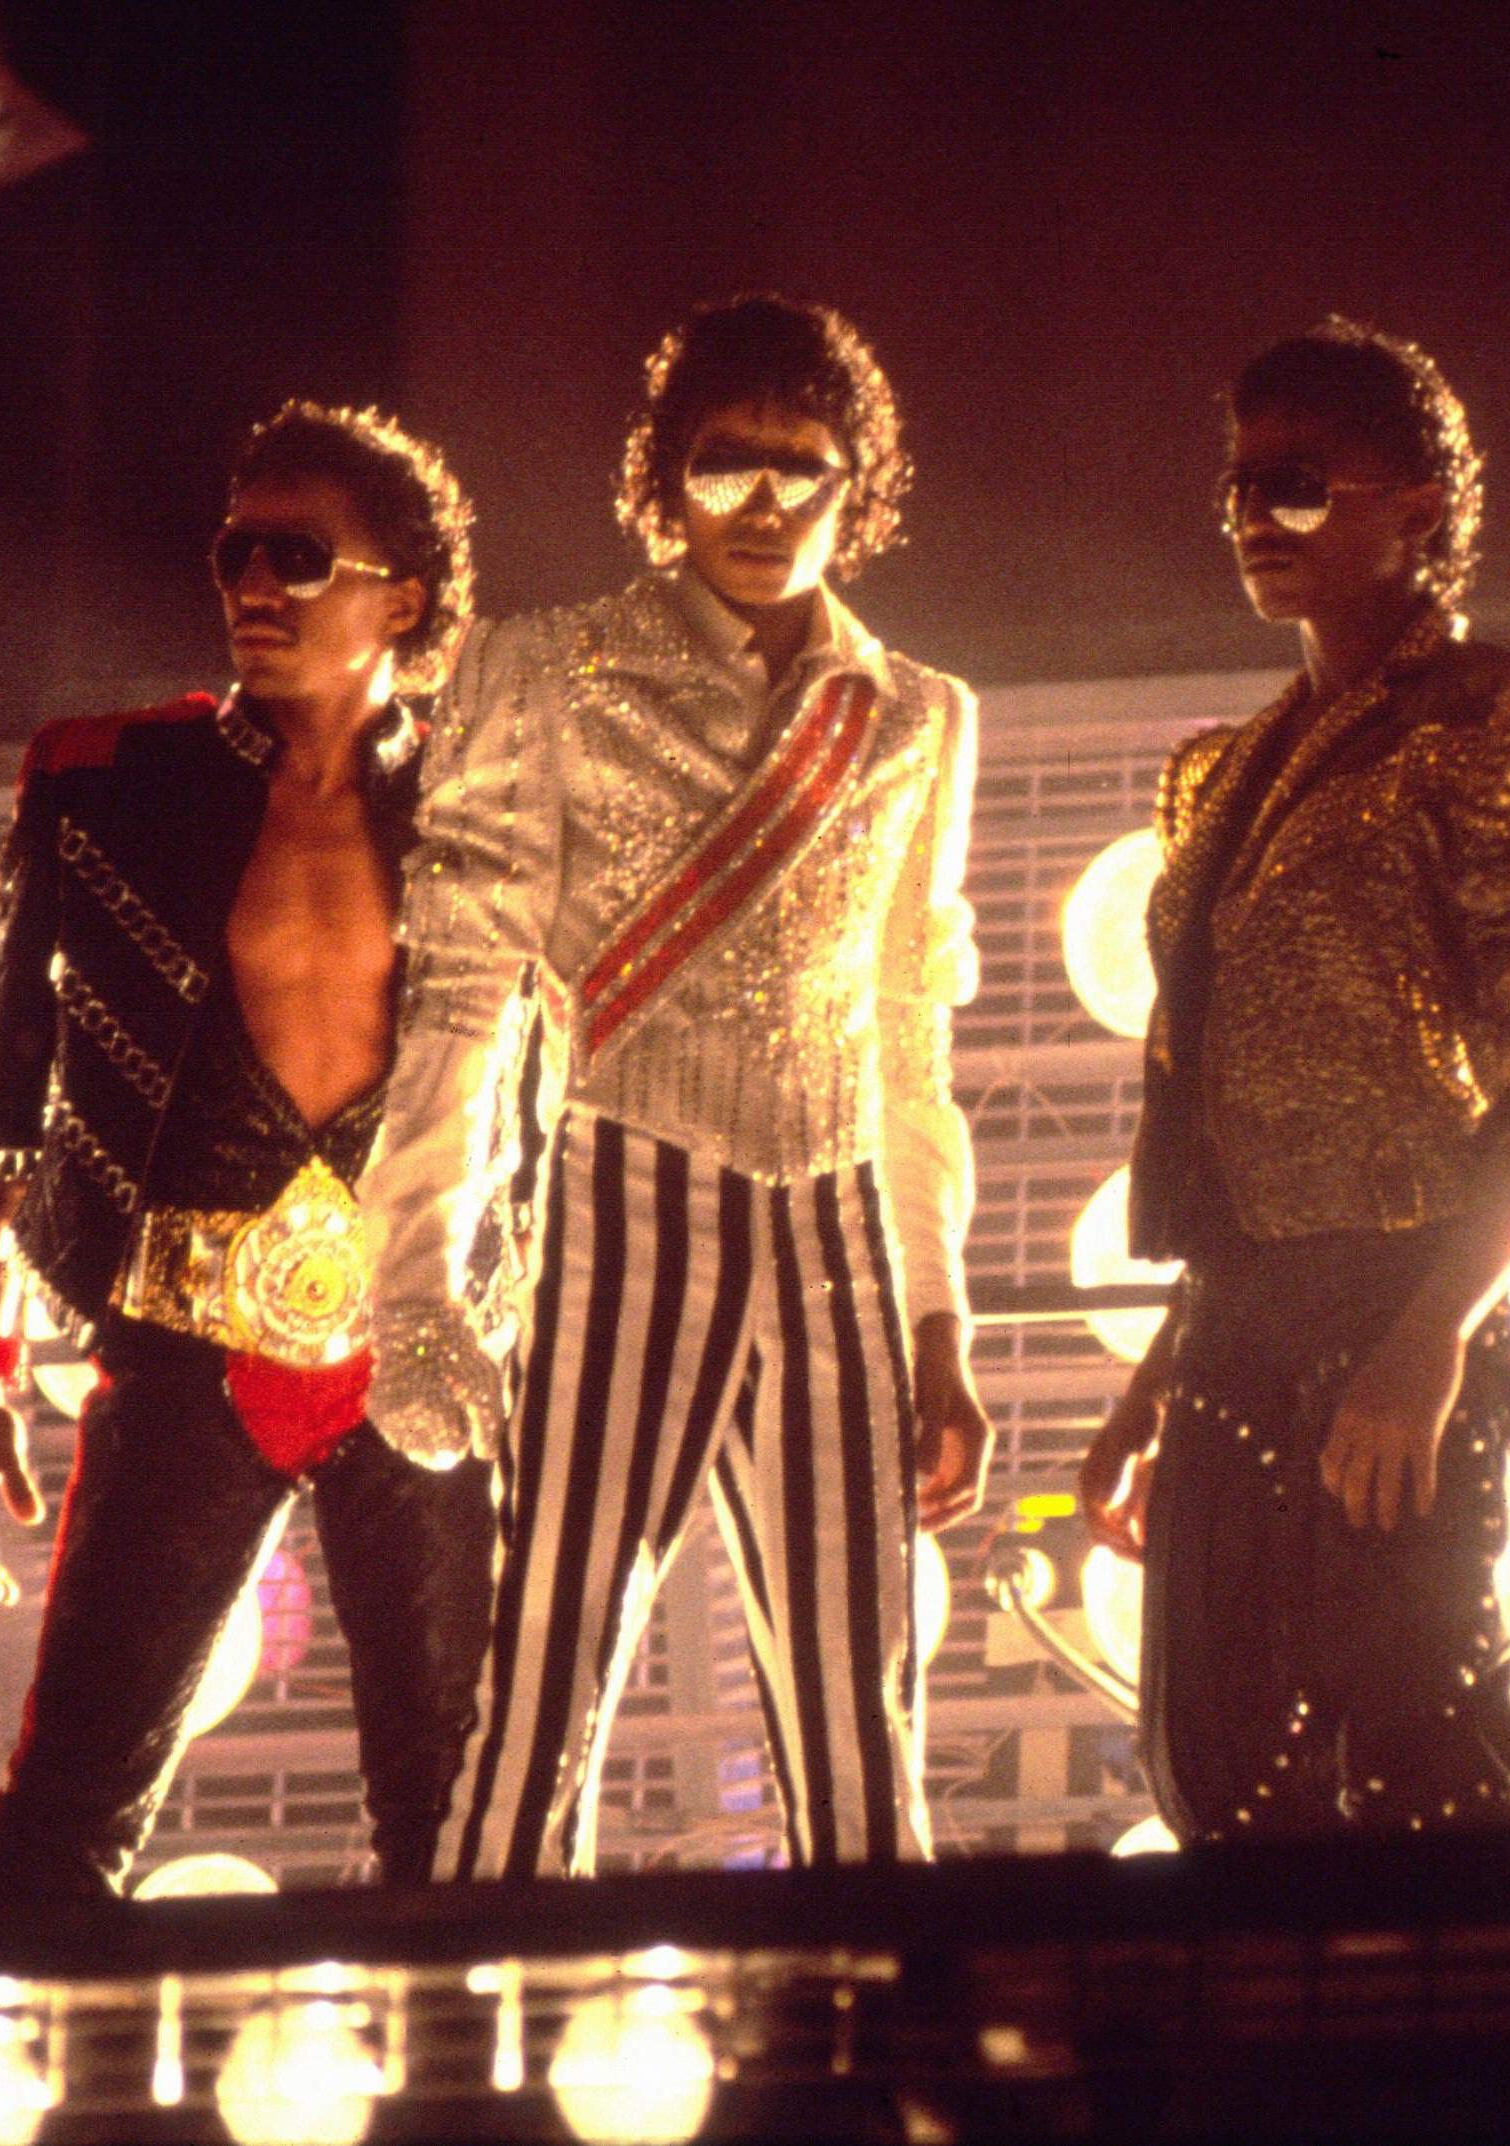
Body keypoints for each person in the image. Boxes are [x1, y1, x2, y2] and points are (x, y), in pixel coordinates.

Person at [365, 294, 992, 1879]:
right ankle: (473, 2074)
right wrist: (417, 1277)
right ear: (663, 474)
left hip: (844, 1221)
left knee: (864, 1721)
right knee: (537, 1701)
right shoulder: (542, 669)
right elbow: (458, 992)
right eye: (727, 465)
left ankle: (889, 2074)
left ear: (861, 489)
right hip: (617, 1198)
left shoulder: (918, 714)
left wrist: (938, 1321)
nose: (767, 506)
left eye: (807, 470)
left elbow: (909, 1037)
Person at [1078, 321, 1510, 1838]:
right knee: (1221, 1779)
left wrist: (1433, 1341)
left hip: (1407, 1301)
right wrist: (1157, 1377)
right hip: (1234, 1327)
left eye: (1295, 487)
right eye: (1237, 489)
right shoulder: (1223, 771)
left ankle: (1470, 2073)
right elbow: (1223, 1098)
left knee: (1424, 1763)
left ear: (1413, 506)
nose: (1251, 522)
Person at [0, 403, 495, 1898]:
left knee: (457, 1828)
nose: (254, 582)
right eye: (235, 549)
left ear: (403, 597)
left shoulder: (497, 805)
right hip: (180, 1345)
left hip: (421, 1352)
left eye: (298, 556)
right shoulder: (105, 776)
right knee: (60, 1819)